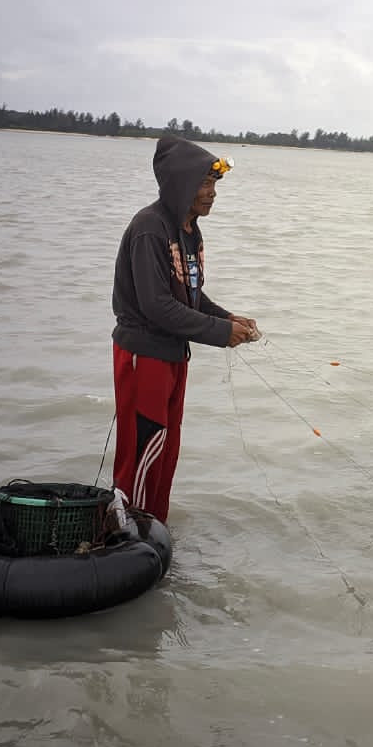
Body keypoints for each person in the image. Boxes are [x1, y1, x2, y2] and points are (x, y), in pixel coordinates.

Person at [110, 136, 258, 522]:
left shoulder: (187, 229)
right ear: (179, 184)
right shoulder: (150, 228)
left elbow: (190, 296)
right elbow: (156, 306)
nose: (211, 194)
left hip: (174, 354)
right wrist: (219, 333)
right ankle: (129, 530)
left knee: (167, 448)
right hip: (145, 355)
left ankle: (153, 528)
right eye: (204, 185)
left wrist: (227, 319)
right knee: (144, 448)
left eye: (214, 185)